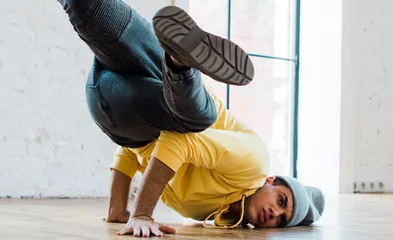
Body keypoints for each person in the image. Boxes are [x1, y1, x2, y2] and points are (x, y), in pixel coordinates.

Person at [55, 0, 325, 237]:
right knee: (84, 5)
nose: (274, 213)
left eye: (281, 221)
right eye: (281, 201)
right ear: (270, 180)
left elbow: (133, 150)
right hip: (153, 73)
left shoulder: (204, 213)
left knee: (190, 121)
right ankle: (179, 63)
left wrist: (117, 209)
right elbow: (180, 144)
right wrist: (142, 214)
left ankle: (181, 63)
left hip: (119, 110)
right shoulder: (254, 163)